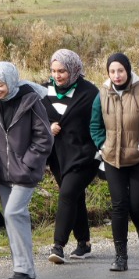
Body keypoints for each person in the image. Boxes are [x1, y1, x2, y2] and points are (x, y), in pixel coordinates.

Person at [90, 53, 139, 272]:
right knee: (119, 206)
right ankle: (120, 256)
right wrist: (102, 145)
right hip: (113, 159)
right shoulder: (102, 94)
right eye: (112, 71)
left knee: (135, 205)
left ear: (128, 71)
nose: (116, 75)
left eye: (120, 71)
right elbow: (95, 125)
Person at [0, 61, 52, 279]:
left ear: (11, 82)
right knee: (10, 217)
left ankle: (24, 270)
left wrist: (27, 164)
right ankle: (22, 270)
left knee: (14, 214)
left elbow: (45, 138)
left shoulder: (30, 100)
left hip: (25, 171)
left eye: (0, 85)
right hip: (2, 172)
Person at [44, 49, 100, 264]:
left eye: (62, 71)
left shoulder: (89, 92)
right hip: (58, 156)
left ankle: (58, 246)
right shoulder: (46, 91)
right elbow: (39, 118)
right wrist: (49, 127)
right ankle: (84, 242)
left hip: (85, 155)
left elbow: (100, 123)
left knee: (67, 194)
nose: (57, 76)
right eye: (54, 71)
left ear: (74, 70)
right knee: (75, 197)